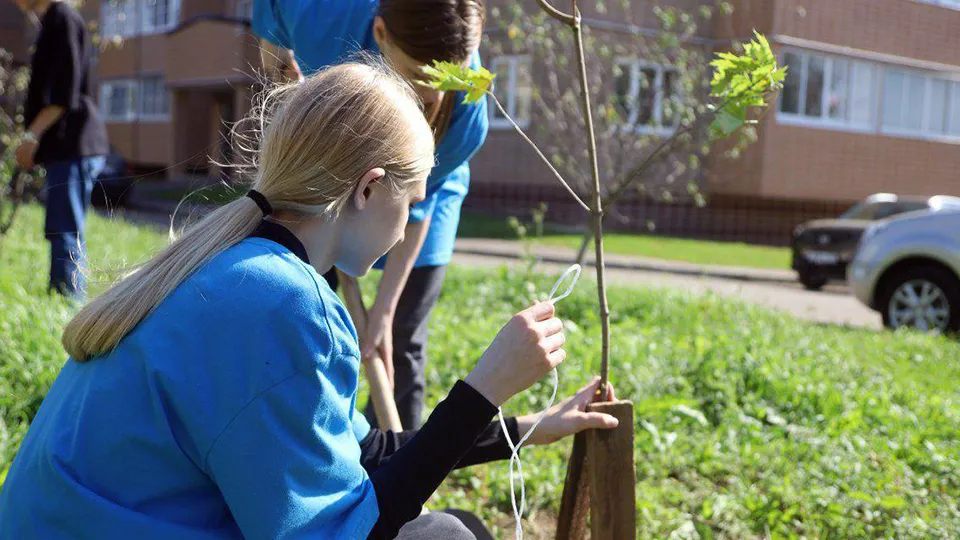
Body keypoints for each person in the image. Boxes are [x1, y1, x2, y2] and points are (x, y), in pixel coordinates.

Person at [0, 62, 617, 540]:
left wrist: (526, 428)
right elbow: (349, 530)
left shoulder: (237, 263)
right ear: (371, 188)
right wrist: (484, 386)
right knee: (450, 533)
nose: (408, 229)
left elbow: (364, 453)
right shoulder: (285, 306)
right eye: (414, 201)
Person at [253, 0, 489, 429]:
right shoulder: (322, 19)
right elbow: (272, 25)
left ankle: (393, 468)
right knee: (298, 312)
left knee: (399, 337)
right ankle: (300, 434)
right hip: (324, 182)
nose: (433, 96)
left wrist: (383, 312)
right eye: (419, 77)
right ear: (380, 33)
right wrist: (279, 71)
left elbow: (417, 207)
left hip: (425, 196)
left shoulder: (467, 113)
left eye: (446, 81)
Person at [14, 0, 109, 301]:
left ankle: (67, 307)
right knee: (64, 229)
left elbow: (62, 93)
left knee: (64, 230)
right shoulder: (53, 21)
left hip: (75, 145)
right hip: (68, 147)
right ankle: (64, 302)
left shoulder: (62, 17)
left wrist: (31, 136)